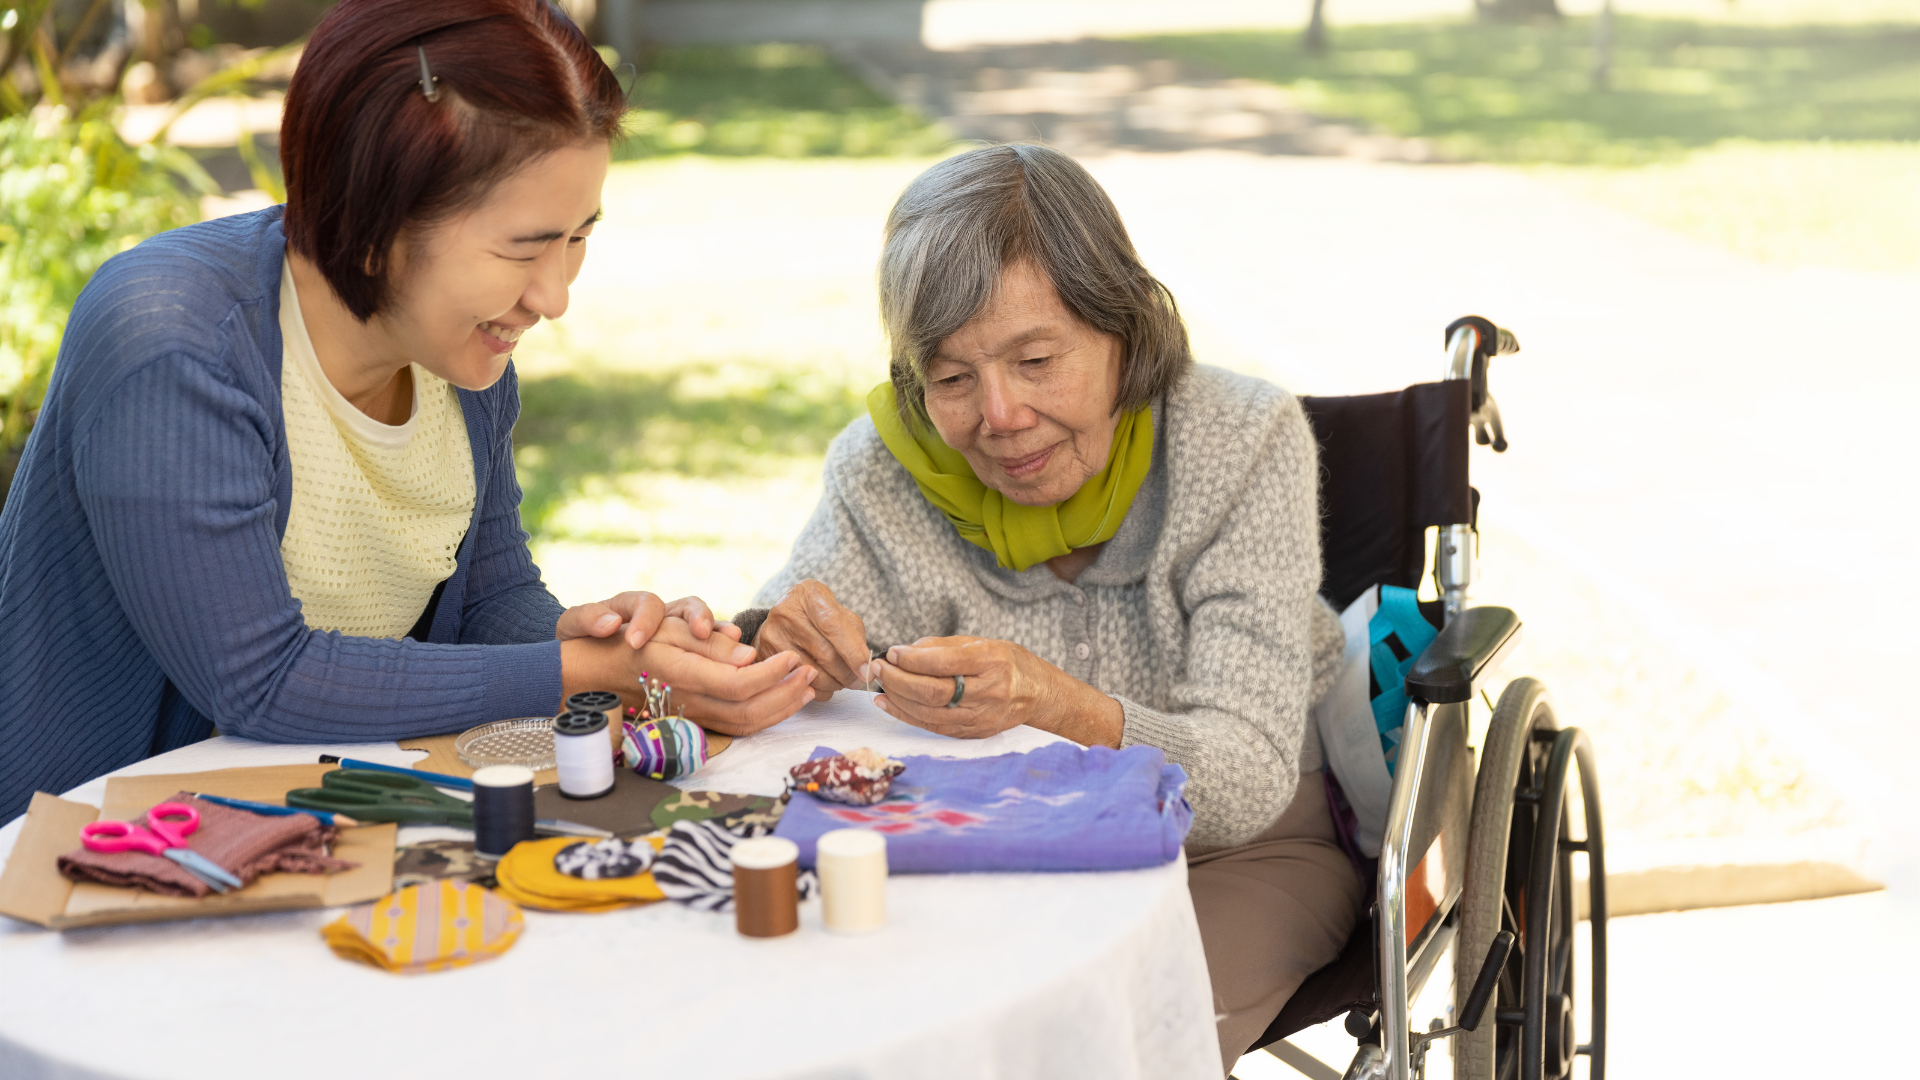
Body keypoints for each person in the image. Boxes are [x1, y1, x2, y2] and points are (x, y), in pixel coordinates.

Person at [0, 0, 817, 824]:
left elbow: (492, 600)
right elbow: (260, 682)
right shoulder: (172, 340)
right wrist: (576, 670)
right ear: (372, 217)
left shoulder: (464, 352)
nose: (555, 296)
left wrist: (613, 644)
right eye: (525, 246)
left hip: (309, 822)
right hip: (90, 846)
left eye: (578, 237)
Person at [734, 143, 1362, 1070]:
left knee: (1083, 1042)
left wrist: (1050, 701)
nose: (999, 415)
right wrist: (769, 640)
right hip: (998, 844)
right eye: (951, 379)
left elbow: (1245, 778)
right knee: (888, 1024)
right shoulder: (884, 469)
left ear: (1126, 330)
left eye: (1036, 358)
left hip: (1239, 856)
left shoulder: (1242, 441)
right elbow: (771, 663)